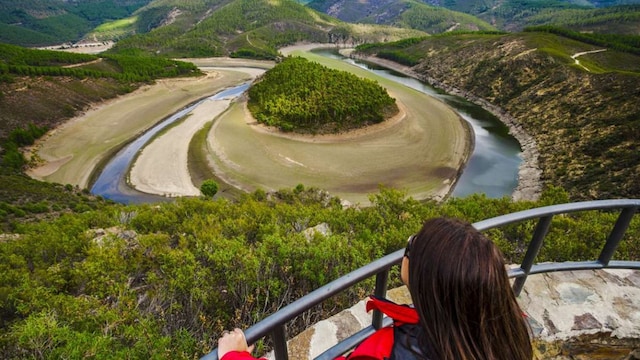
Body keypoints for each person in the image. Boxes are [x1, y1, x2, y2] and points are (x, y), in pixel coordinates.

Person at [217, 217, 532, 360]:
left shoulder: (388, 352)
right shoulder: (509, 329)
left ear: (424, 279)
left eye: (412, 245)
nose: (407, 247)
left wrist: (234, 356)